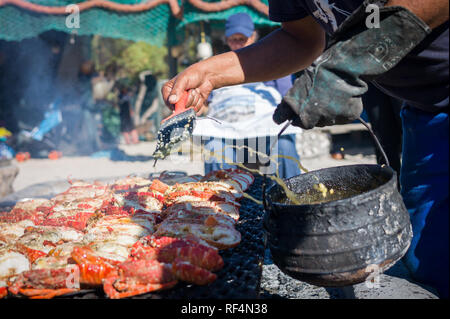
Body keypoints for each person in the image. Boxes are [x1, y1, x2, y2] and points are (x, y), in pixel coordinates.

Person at [161, 0, 449, 298]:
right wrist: (208, 74)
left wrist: (347, 64)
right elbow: (300, 39)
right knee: (430, 260)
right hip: (425, 110)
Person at [199, 13, 302, 179]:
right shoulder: (217, 65)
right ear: (226, 39)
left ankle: (291, 198)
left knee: (284, 146)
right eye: (234, 39)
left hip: (265, 136)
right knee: (214, 148)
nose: (238, 44)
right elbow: (206, 103)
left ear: (253, 36)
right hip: (228, 137)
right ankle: (220, 200)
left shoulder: (273, 62)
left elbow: (288, 96)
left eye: (243, 39)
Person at [116, 78, 139, 145]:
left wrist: (131, 111)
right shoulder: (122, 96)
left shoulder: (125, 96)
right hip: (123, 114)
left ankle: (134, 140)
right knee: (125, 128)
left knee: (130, 127)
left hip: (127, 114)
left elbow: (128, 104)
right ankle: (129, 141)